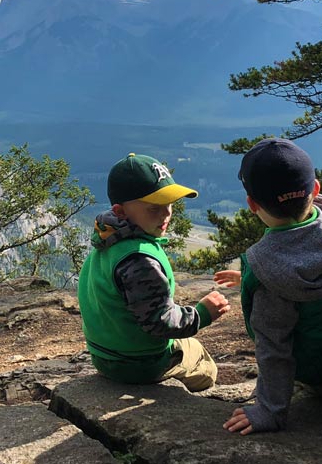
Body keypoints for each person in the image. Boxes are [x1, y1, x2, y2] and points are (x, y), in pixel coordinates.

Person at [218, 138, 322, 434]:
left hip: (320, 371)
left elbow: (273, 347)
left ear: (252, 204)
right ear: (315, 189)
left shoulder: (267, 269)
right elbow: (321, 269)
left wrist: (269, 411)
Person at [78, 153, 230, 391]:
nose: (166, 213)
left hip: (104, 356)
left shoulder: (107, 239)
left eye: (169, 204)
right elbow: (159, 322)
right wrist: (201, 314)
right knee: (202, 362)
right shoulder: (140, 260)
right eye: (153, 208)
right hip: (140, 363)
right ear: (120, 211)